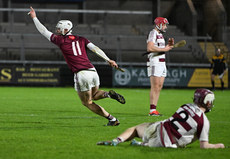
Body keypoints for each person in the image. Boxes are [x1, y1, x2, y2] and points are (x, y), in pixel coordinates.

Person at [28, 7, 126, 126]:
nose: (57, 31)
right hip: (93, 71)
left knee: (87, 102)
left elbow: (43, 30)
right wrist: (108, 59)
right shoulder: (82, 39)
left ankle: (112, 119)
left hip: (81, 74)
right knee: (95, 95)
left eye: (59, 29)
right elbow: (96, 49)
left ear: (65, 30)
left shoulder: (60, 40)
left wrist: (34, 17)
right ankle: (108, 95)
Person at [97, 88, 225, 149]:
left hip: (158, 128)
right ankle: (145, 144)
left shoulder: (186, 106)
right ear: (208, 103)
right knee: (193, 134)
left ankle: (117, 140)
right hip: (167, 143)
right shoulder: (204, 120)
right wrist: (219, 145)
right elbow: (204, 146)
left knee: (136, 128)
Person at [146, 17, 174, 116]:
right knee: (155, 86)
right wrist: (165, 49)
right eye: (164, 24)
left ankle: (154, 109)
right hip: (155, 62)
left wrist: (168, 46)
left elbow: (161, 48)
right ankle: (152, 110)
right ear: (159, 24)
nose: (165, 26)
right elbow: (149, 47)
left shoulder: (160, 35)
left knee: (159, 87)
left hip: (162, 63)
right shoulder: (153, 33)